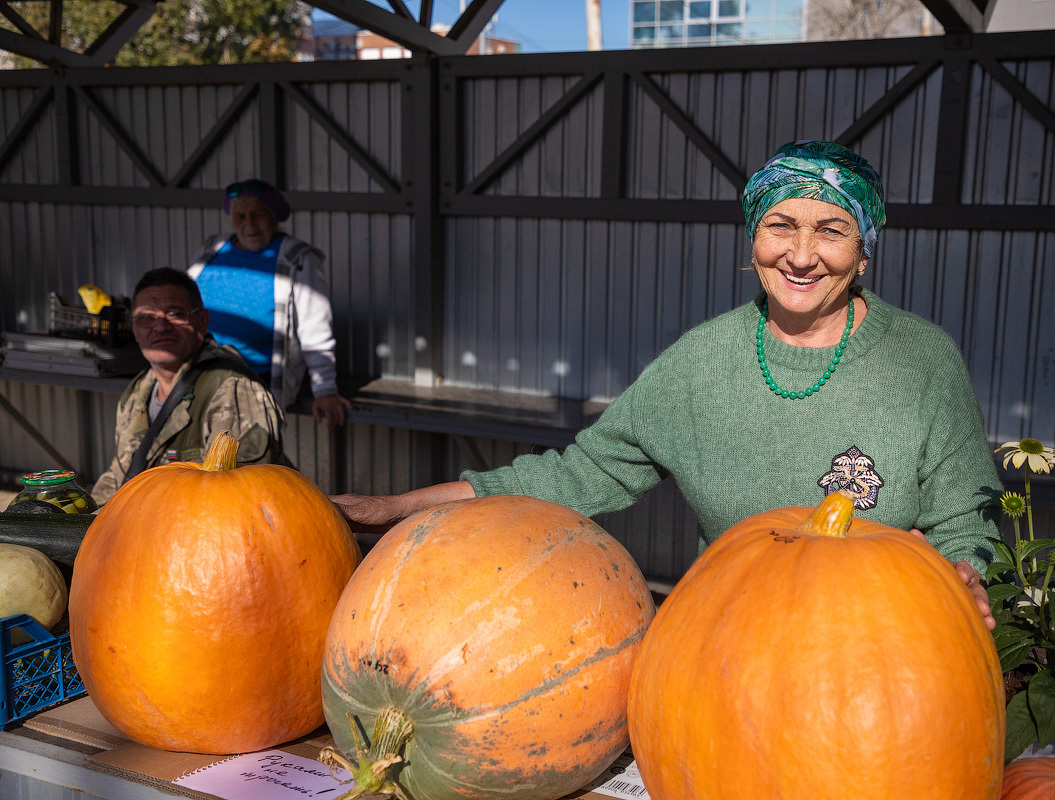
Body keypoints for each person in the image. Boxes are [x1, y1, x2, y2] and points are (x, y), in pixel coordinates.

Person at [331, 140, 1001, 627]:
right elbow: (576, 477)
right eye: (780, 226)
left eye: (832, 230)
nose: (801, 255)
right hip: (721, 640)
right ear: (752, 236)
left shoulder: (922, 363)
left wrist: (965, 580)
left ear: (863, 249)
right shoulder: (700, 365)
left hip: (879, 651)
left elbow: (964, 523)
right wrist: (394, 507)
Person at [91, 269, 285, 503]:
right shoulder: (138, 389)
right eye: (146, 317)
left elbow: (235, 501)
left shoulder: (231, 387)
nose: (161, 327)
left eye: (175, 314)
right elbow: (118, 477)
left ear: (202, 321)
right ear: (134, 329)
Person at [187, 179, 352, 428]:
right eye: (240, 216)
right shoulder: (212, 249)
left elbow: (315, 327)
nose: (249, 224)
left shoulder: (298, 258)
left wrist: (325, 389)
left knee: (250, 462)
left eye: (258, 215)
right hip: (201, 378)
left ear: (274, 216)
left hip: (257, 384)